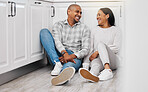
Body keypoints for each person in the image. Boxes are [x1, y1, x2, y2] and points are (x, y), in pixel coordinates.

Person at [40, 4, 90, 85]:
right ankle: (57, 63)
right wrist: (64, 53)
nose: (79, 15)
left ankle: (62, 75)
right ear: (69, 12)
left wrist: (70, 56)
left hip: (74, 56)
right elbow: (57, 41)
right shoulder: (58, 25)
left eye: (81, 13)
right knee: (44, 32)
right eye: (77, 12)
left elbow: (86, 49)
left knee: (69, 67)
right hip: (57, 54)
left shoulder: (85, 28)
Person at [79, 8, 121, 82]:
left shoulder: (116, 30)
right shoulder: (94, 30)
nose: (97, 17)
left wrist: (97, 52)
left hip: (113, 60)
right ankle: (92, 75)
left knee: (100, 44)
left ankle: (107, 70)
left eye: (99, 15)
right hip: (99, 59)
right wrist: (86, 63)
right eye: (97, 15)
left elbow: (116, 48)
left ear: (107, 16)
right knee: (95, 65)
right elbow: (90, 48)